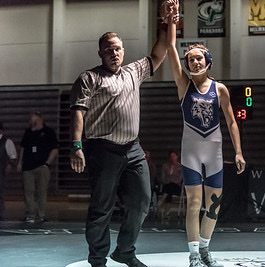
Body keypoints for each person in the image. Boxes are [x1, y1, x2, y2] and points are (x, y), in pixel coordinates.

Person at [69, 2, 177, 266]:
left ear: (123, 50)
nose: (113, 53)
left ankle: (125, 251)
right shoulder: (89, 78)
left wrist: (168, 20)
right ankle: (97, 259)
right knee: (101, 208)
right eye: (108, 50)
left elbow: (160, 50)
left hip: (133, 149)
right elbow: (78, 112)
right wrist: (76, 145)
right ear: (100, 53)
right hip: (102, 149)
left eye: (117, 49)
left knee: (142, 201)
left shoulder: (134, 71)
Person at [166, 7, 246, 267]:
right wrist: (172, 21)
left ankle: (205, 250)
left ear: (208, 61)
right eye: (191, 60)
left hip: (215, 152)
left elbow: (232, 122)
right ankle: (193, 255)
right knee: (194, 203)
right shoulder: (183, 85)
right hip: (190, 151)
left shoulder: (220, 89)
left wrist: (238, 152)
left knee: (214, 205)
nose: (195, 62)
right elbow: (169, 48)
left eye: (200, 58)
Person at [17, 111, 59, 223]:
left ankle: (41, 214)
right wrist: (20, 162)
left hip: (42, 166)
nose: (31, 121)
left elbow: (54, 149)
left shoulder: (48, 132)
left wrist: (47, 164)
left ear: (40, 119)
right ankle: (30, 214)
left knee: (42, 191)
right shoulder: (28, 132)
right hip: (28, 166)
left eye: (33, 119)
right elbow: (23, 148)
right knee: (28, 191)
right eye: (30, 120)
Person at [0, 122, 18, 221]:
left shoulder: (7, 142)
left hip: (1, 169)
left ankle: (0, 213)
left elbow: (13, 156)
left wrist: (9, 166)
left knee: (0, 192)